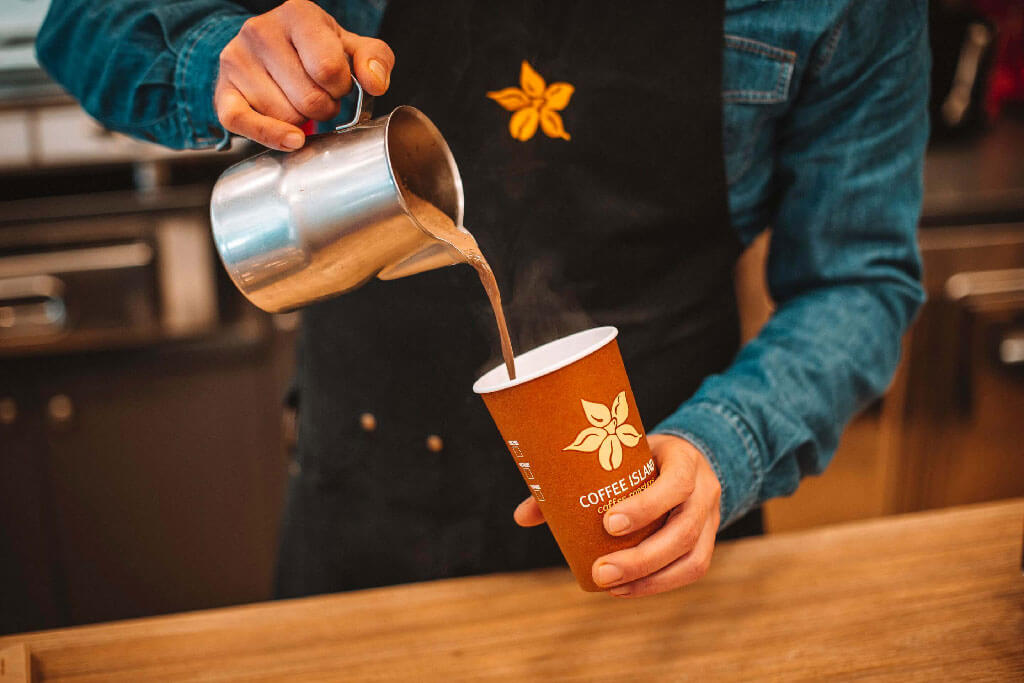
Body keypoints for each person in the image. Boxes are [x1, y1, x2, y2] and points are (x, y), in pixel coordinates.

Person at [37, 0, 928, 598]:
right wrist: (220, 66)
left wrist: (728, 447)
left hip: (666, 526)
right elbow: (80, 25)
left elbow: (858, 279)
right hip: (368, 502)